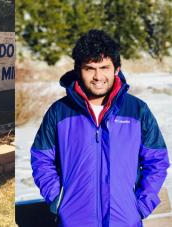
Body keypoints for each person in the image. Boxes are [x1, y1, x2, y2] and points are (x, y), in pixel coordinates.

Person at [30, 29, 169, 226]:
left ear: (116, 69)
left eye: (104, 67)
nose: (98, 76)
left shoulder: (137, 111)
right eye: (90, 68)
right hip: (74, 220)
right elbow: (41, 158)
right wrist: (58, 199)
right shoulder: (59, 112)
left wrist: (139, 206)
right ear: (79, 70)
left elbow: (157, 162)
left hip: (124, 220)